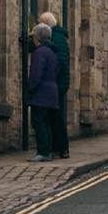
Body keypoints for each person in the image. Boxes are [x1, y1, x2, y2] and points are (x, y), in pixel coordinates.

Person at [27, 25, 62, 162]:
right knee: (47, 123)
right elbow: (58, 70)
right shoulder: (52, 52)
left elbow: (36, 73)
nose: (33, 39)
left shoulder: (40, 52)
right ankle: (48, 151)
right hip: (52, 92)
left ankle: (43, 151)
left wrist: (30, 88)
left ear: (38, 38)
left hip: (41, 94)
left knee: (38, 122)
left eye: (34, 36)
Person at [41, 10, 71, 159]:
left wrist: (50, 78)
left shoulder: (57, 38)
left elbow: (61, 62)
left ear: (46, 25)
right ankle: (59, 148)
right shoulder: (57, 36)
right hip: (58, 83)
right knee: (54, 115)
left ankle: (61, 148)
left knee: (55, 116)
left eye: (41, 24)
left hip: (58, 84)